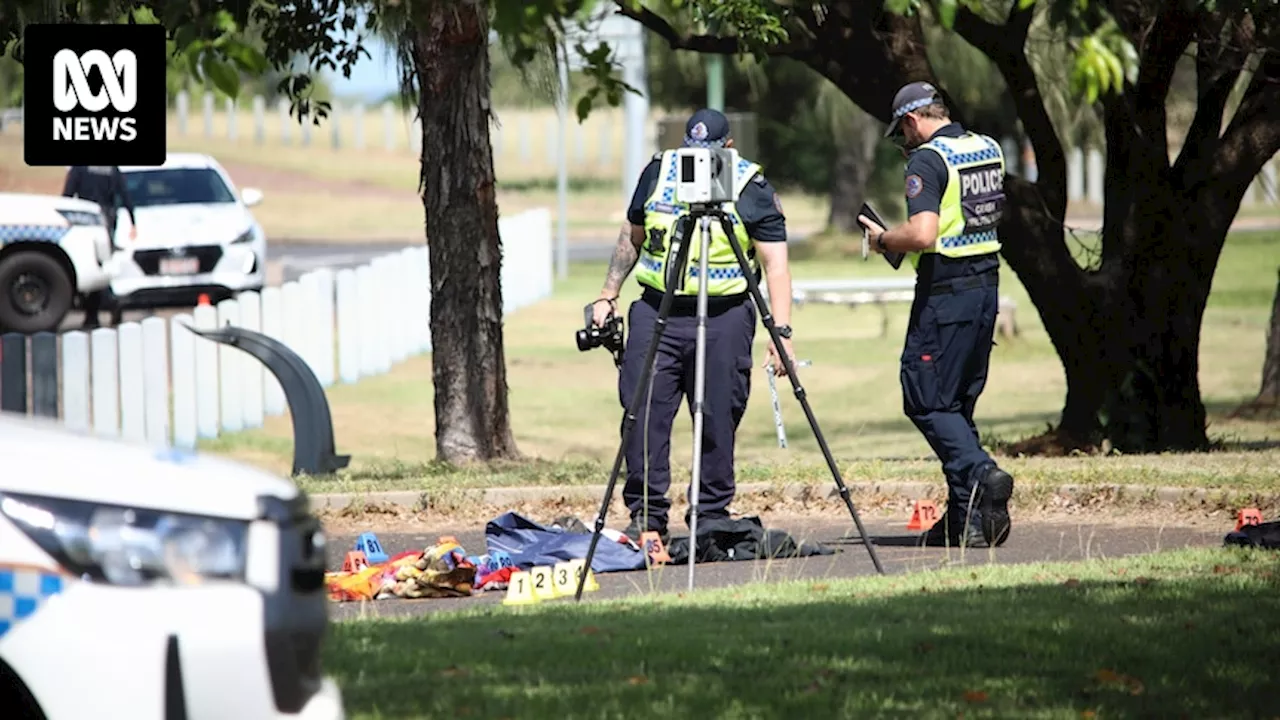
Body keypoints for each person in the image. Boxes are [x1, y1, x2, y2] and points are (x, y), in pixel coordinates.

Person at [590, 109, 794, 543]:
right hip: (657, 310)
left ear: (729, 149)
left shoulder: (748, 184)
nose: (700, 164)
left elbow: (775, 264)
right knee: (642, 411)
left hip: (725, 316)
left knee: (719, 414)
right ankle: (647, 514)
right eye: (693, 152)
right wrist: (608, 294)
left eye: (711, 155)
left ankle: (711, 512)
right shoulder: (660, 171)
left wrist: (782, 333)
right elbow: (634, 235)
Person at [857, 81, 1015, 548]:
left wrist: (883, 240)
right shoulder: (987, 148)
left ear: (911, 121)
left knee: (925, 397)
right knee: (957, 404)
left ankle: (983, 474)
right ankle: (967, 520)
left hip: (946, 290)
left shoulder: (928, 159)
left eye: (901, 134)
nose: (903, 145)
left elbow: (924, 234)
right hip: (986, 286)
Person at [62, 165, 136, 327]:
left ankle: (94, 315)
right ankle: (110, 303)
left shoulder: (80, 167)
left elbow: (68, 194)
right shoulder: (111, 168)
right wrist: (133, 221)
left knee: (90, 265)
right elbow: (124, 194)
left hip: (86, 220)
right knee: (103, 265)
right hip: (107, 220)